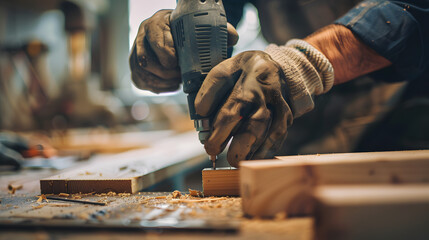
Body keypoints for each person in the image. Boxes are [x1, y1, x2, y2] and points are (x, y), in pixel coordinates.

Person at [129, 0, 429, 167]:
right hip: (300, 109)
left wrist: (305, 63)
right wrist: (177, 40)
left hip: (400, 102)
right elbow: (213, 9)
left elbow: (413, 10)